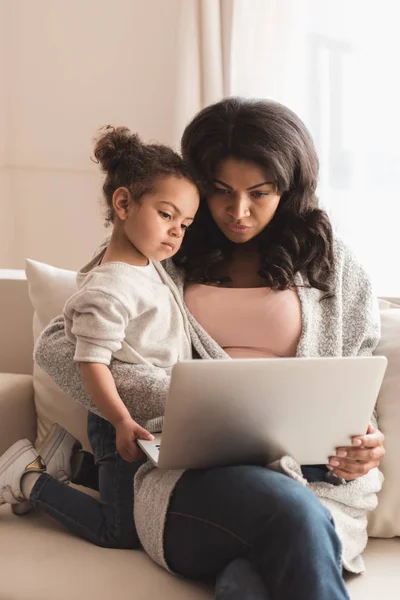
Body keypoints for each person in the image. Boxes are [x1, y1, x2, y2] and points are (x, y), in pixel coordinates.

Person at [3, 98, 386, 599]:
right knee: (289, 511)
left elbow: (357, 377)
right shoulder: (160, 245)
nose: (238, 212)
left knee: (248, 583)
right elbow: (60, 345)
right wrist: (181, 399)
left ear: (289, 187)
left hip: (314, 482)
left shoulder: (328, 261)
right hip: (189, 479)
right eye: (221, 192)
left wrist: (365, 443)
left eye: (260, 193)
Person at [0, 126, 199, 550]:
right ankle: (27, 477)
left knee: (146, 501)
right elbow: (90, 361)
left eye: (185, 223)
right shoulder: (109, 289)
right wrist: (119, 420)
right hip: (121, 422)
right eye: (166, 215)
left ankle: (70, 460)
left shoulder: (148, 265)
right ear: (123, 203)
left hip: (148, 421)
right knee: (120, 531)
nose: (177, 232)